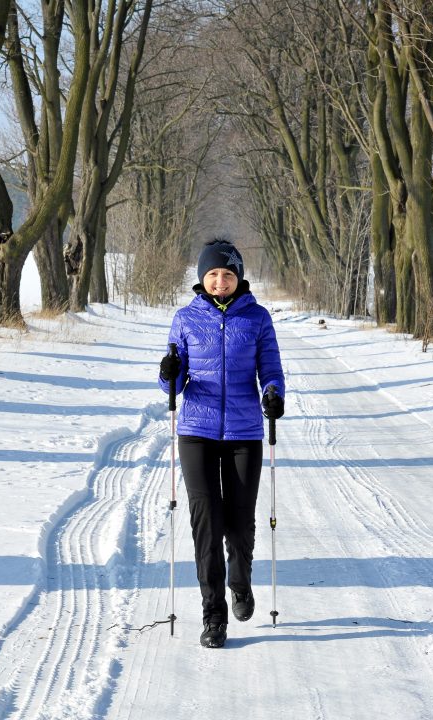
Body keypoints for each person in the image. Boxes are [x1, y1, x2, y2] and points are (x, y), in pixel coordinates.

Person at [158, 238, 285, 649]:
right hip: (196, 429)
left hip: (245, 431)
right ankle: (213, 616)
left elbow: (271, 369)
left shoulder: (258, 318)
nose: (220, 281)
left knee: (239, 521)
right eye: (212, 274)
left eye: (227, 274)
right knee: (205, 522)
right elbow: (172, 385)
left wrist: (273, 395)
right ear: (202, 278)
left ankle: (240, 582)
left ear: (239, 277)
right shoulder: (185, 319)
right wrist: (169, 372)